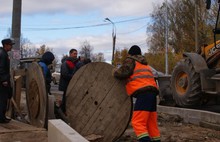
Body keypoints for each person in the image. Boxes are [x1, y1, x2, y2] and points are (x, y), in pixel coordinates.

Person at [113, 45, 161, 142]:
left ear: (130, 54)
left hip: (143, 95)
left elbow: (122, 73)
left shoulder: (131, 60)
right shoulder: (145, 65)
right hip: (152, 94)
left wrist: (113, 71)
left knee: (137, 122)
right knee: (151, 124)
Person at [59, 49, 82, 115]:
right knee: (65, 99)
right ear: (70, 54)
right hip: (66, 85)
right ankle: (62, 112)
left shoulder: (74, 63)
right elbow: (65, 74)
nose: (76, 55)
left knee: (69, 98)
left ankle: (65, 111)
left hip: (71, 84)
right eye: (74, 53)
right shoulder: (65, 63)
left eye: (76, 54)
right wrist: (74, 77)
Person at [0, 38, 15, 123]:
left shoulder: (3, 53)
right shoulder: (3, 54)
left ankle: (2, 116)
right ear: (6, 45)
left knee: (3, 99)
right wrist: (4, 80)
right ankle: (1, 118)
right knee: (3, 99)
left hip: (3, 80)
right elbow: (1, 68)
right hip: (3, 82)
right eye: (10, 45)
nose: (11, 46)